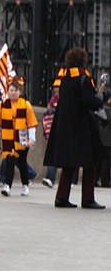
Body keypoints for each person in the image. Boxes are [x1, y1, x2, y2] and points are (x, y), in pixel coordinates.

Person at [44, 47, 106, 209]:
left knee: (69, 163)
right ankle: (87, 198)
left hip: (65, 125)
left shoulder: (65, 77)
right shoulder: (84, 77)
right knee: (89, 162)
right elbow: (88, 102)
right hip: (82, 126)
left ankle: (61, 197)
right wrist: (100, 99)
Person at [0, 76, 38, 197]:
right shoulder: (2, 105)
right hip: (8, 137)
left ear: (20, 92)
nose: (13, 93)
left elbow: (31, 123)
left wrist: (31, 139)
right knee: (9, 161)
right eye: (11, 90)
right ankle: (7, 186)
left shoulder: (26, 105)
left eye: (16, 90)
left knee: (22, 162)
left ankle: (25, 185)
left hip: (22, 137)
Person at [42, 82, 61, 188]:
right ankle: (50, 178)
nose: (56, 93)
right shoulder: (52, 101)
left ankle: (70, 179)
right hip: (55, 131)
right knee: (53, 155)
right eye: (55, 91)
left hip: (62, 131)